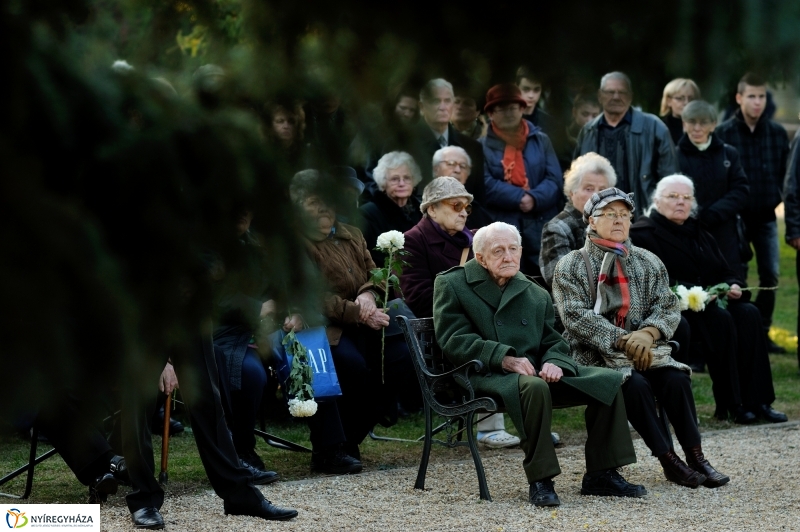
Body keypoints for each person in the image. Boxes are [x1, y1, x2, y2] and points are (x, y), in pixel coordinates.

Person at [433, 221, 646, 507]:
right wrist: (504, 358)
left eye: (513, 249)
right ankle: (541, 480)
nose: (508, 257)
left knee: (607, 380)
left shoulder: (534, 291)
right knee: (533, 387)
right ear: (480, 257)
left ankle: (602, 474)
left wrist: (555, 361)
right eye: (498, 251)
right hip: (482, 372)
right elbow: (453, 339)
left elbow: (553, 341)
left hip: (531, 371)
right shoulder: (452, 283)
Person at [552, 188, 729, 489]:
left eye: (625, 215)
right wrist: (623, 340)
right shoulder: (571, 265)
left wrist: (648, 334)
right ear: (592, 221)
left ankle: (696, 456)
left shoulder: (648, 261)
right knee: (633, 384)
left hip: (647, 350)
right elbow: (575, 317)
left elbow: (668, 306)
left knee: (675, 379)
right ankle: (669, 460)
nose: (620, 220)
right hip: (593, 354)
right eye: (611, 214)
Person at [630, 175, 786, 424]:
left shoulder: (699, 231)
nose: (681, 202)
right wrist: (702, 292)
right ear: (657, 201)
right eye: (673, 196)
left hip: (709, 302)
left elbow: (725, 269)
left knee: (749, 313)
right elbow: (655, 283)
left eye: (686, 197)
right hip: (672, 309)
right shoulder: (643, 234)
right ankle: (732, 405)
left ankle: (759, 402)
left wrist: (734, 285)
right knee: (720, 319)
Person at [291, 169, 418, 462]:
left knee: (401, 357)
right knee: (352, 364)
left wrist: (368, 294)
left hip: (365, 321)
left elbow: (378, 276)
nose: (325, 208)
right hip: (322, 327)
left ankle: (352, 437)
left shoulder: (353, 234)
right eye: (315, 201)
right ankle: (329, 448)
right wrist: (358, 313)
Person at [401, 177, 518, 448]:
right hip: (443, 333)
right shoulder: (413, 241)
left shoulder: (478, 239)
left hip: (488, 321)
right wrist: (473, 304)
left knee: (522, 331)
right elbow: (418, 298)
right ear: (431, 209)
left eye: (467, 206)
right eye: (456, 205)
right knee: (489, 339)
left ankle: (530, 422)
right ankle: (489, 429)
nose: (463, 211)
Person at [212, 209, 307, 472]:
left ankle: (331, 446)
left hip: (265, 331)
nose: (241, 213)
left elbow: (280, 287)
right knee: (251, 374)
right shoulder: (208, 246)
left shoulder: (257, 243)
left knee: (312, 358)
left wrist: (292, 310)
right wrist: (256, 308)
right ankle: (241, 451)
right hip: (223, 333)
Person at [715, 73, 790, 354]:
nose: (757, 102)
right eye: (751, 96)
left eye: (761, 97)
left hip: (767, 216)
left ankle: (763, 330)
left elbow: (784, 172)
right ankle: (739, 333)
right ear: (739, 98)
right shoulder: (724, 133)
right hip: (734, 218)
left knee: (770, 273)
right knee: (736, 276)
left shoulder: (777, 133)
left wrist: (777, 197)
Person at [481, 83, 562, 277]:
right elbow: (485, 183)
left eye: (513, 108)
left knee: (548, 278)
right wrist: (519, 197)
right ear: (491, 113)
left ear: (522, 109)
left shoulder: (541, 140)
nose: (508, 113)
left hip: (542, 222)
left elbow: (554, 178)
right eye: (501, 109)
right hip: (504, 224)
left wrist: (534, 198)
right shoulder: (481, 147)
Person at [574, 72, 678, 217]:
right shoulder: (589, 130)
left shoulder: (654, 128)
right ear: (600, 96)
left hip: (642, 218)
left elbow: (670, 179)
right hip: (597, 219)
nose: (616, 97)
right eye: (610, 92)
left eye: (621, 92)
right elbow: (576, 180)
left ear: (630, 96)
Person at [676, 100, 749, 279]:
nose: (697, 128)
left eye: (704, 122)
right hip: (688, 231)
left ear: (713, 124)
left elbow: (741, 189)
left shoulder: (728, 154)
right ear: (684, 124)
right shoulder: (675, 155)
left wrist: (714, 213)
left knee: (731, 286)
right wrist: (695, 214)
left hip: (725, 233)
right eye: (692, 122)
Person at [383, 78, 485, 197]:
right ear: (422, 107)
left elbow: (478, 200)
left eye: (447, 101)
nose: (442, 107)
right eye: (436, 101)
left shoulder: (472, 148)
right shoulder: (400, 144)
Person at [539, 152, 616, 289]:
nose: (596, 195)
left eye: (603, 189)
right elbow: (560, 281)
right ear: (572, 192)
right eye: (589, 188)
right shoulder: (557, 228)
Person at [359, 151, 423, 266]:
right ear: (383, 183)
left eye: (407, 178)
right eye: (394, 179)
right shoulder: (368, 214)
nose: (402, 183)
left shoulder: (422, 211)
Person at [432, 146, 492, 228]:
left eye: (463, 166)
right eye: (451, 164)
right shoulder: (421, 205)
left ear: (468, 174)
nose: (458, 170)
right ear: (436, 169)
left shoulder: (477, 213)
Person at [261, 101, 309, 175]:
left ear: (298, 125)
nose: (286, 126)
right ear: (270, 125)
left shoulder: (305, 152)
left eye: (291, 122)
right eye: (280, 121)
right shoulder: (263, 153)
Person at [561, 93, 601, 169]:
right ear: (574, 112)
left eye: (595, 116)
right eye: (585, 114)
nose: (590, 120)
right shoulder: (563, 138)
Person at [515, 66, 556, 135]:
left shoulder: (549, 123)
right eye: (526, 89)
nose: (531, 95)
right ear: (516, 88)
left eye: (536, 90)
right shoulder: (506, 118)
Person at [660, 79, 701, 145]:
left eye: (691, 99)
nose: (686, 103)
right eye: (680, 98)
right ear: (669, 101)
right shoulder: (660, 128)